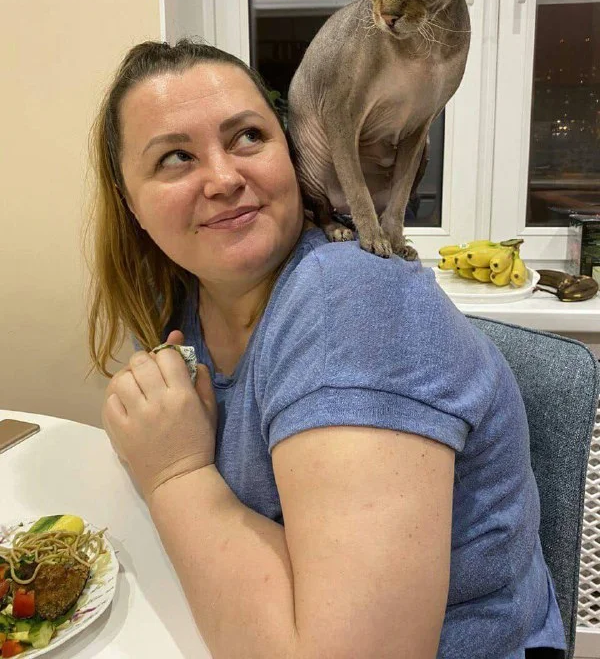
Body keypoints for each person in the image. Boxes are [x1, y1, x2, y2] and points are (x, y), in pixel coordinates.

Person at [87, 38, 567, 659]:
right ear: (131, 203)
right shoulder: (182, 299)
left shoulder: (355, 303)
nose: (224, 179)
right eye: (176, 157)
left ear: (291, 153)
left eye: (248, 136)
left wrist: (174, 473)